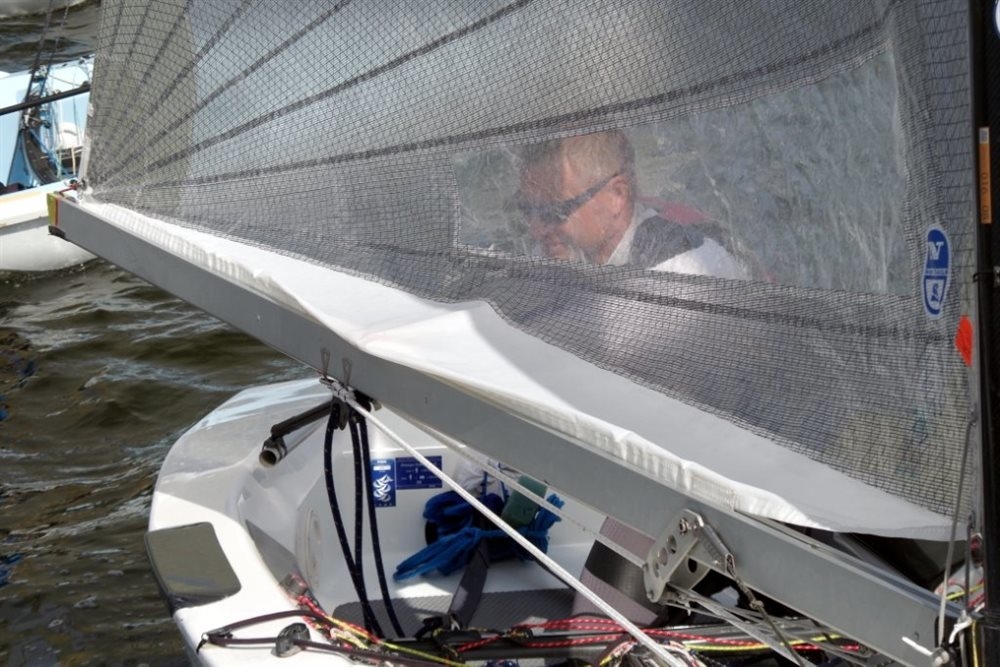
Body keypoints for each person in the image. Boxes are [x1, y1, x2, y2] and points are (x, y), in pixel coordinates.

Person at [512, 130, 746, 279]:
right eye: (527, 209)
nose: (535, 230)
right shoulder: (560, 249)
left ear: (617, 195)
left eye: (554, 211)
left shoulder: (681, 274)